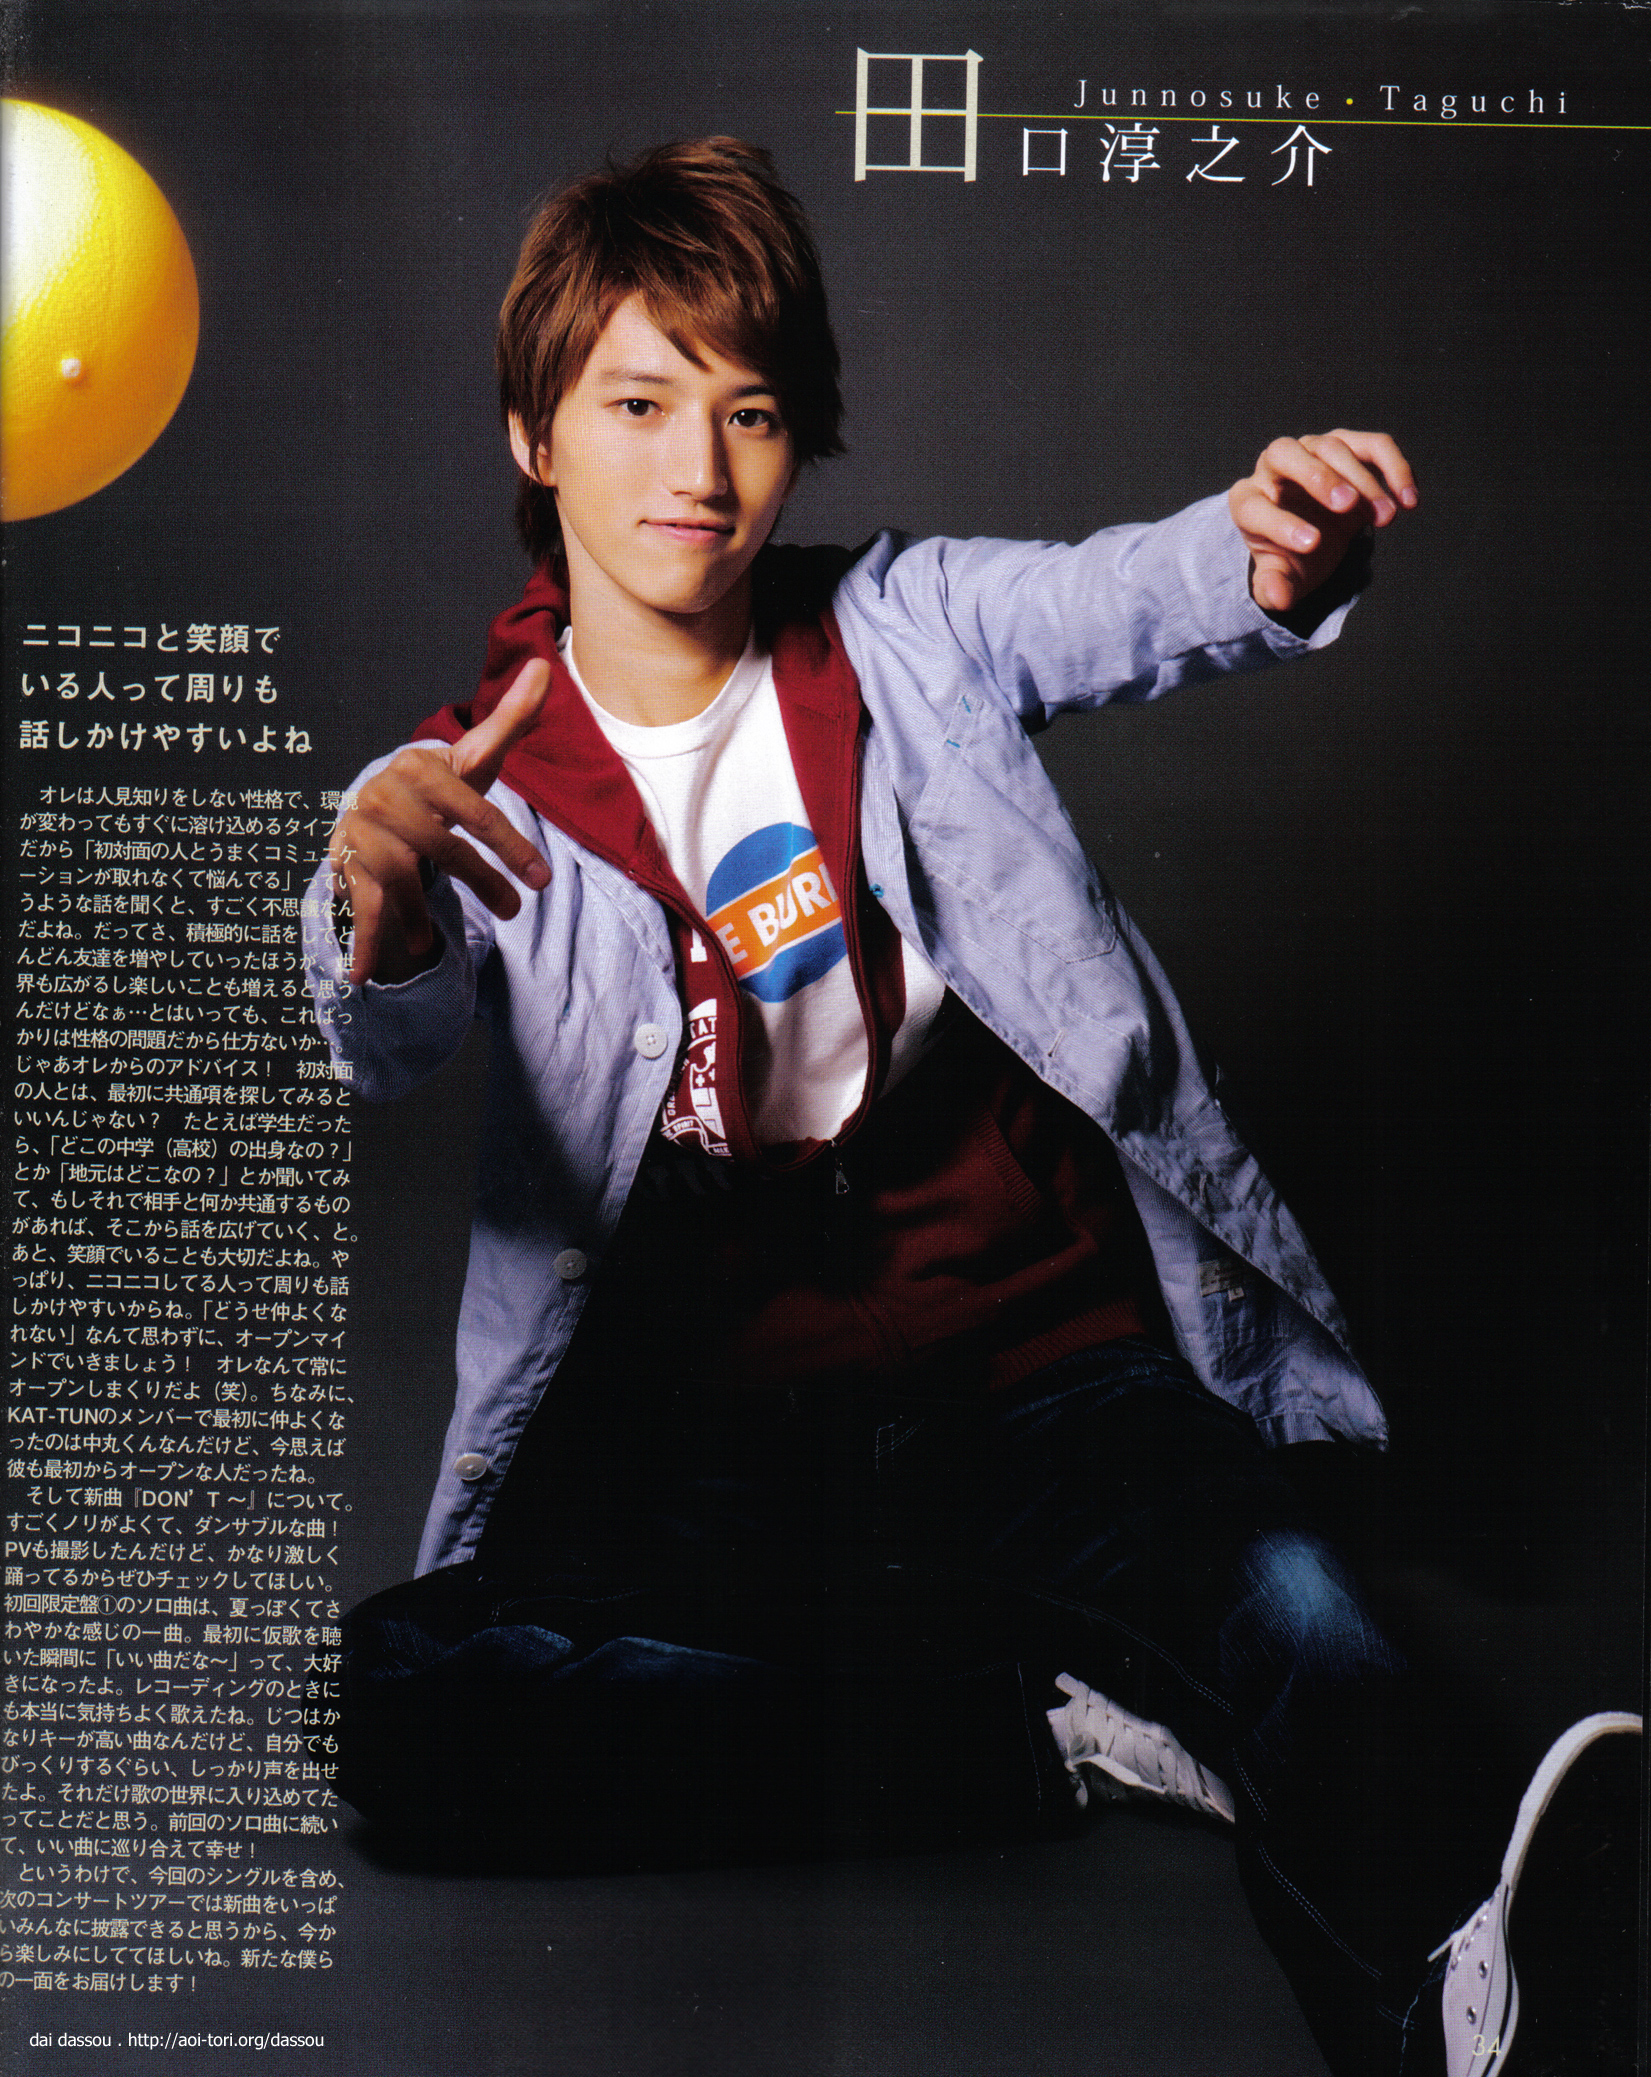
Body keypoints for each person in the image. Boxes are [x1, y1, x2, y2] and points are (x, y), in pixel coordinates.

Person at [305, 138, 1639, 2077]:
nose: (699, 470)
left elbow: (1119, 595)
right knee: (406, 1700)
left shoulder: (901, 629)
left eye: (750, 412)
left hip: (1033, 1366)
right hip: (713, 1433)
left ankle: (1447, 1978)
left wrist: (1268, 556)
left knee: (1293, 1602)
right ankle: (1031, 1724)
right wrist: (381, 899)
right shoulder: (469, 782)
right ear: (535, 434)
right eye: (639, 404)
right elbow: (386, 1030)